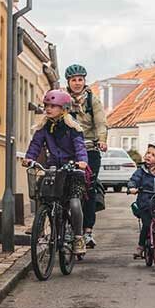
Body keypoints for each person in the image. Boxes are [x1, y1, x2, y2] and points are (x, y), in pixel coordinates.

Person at [23, 89, 90, 254]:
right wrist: (29, 158)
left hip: (73, 169)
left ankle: (78, 237)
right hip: (54, 168)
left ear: (63, 108)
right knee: (42, 193)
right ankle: (39, 225)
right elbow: (35, 144)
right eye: (47, 105)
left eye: (53, 106)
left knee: (74, 203)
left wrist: (82, 161)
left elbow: (80, 146)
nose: (48, 109)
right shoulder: (44, 127)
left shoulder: (72, 127)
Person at [64, 64, 108, 249]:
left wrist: (102, 139)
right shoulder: (63, 99)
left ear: (84, 81)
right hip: (68, 149)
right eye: (73, 80)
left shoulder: (92, 101)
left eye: (80, 79)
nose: (77, 83)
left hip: (89, 147)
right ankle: (64, 226)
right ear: (68, 82)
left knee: (88, 189)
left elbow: (100, 122)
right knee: (63, 186)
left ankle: (88, 231)